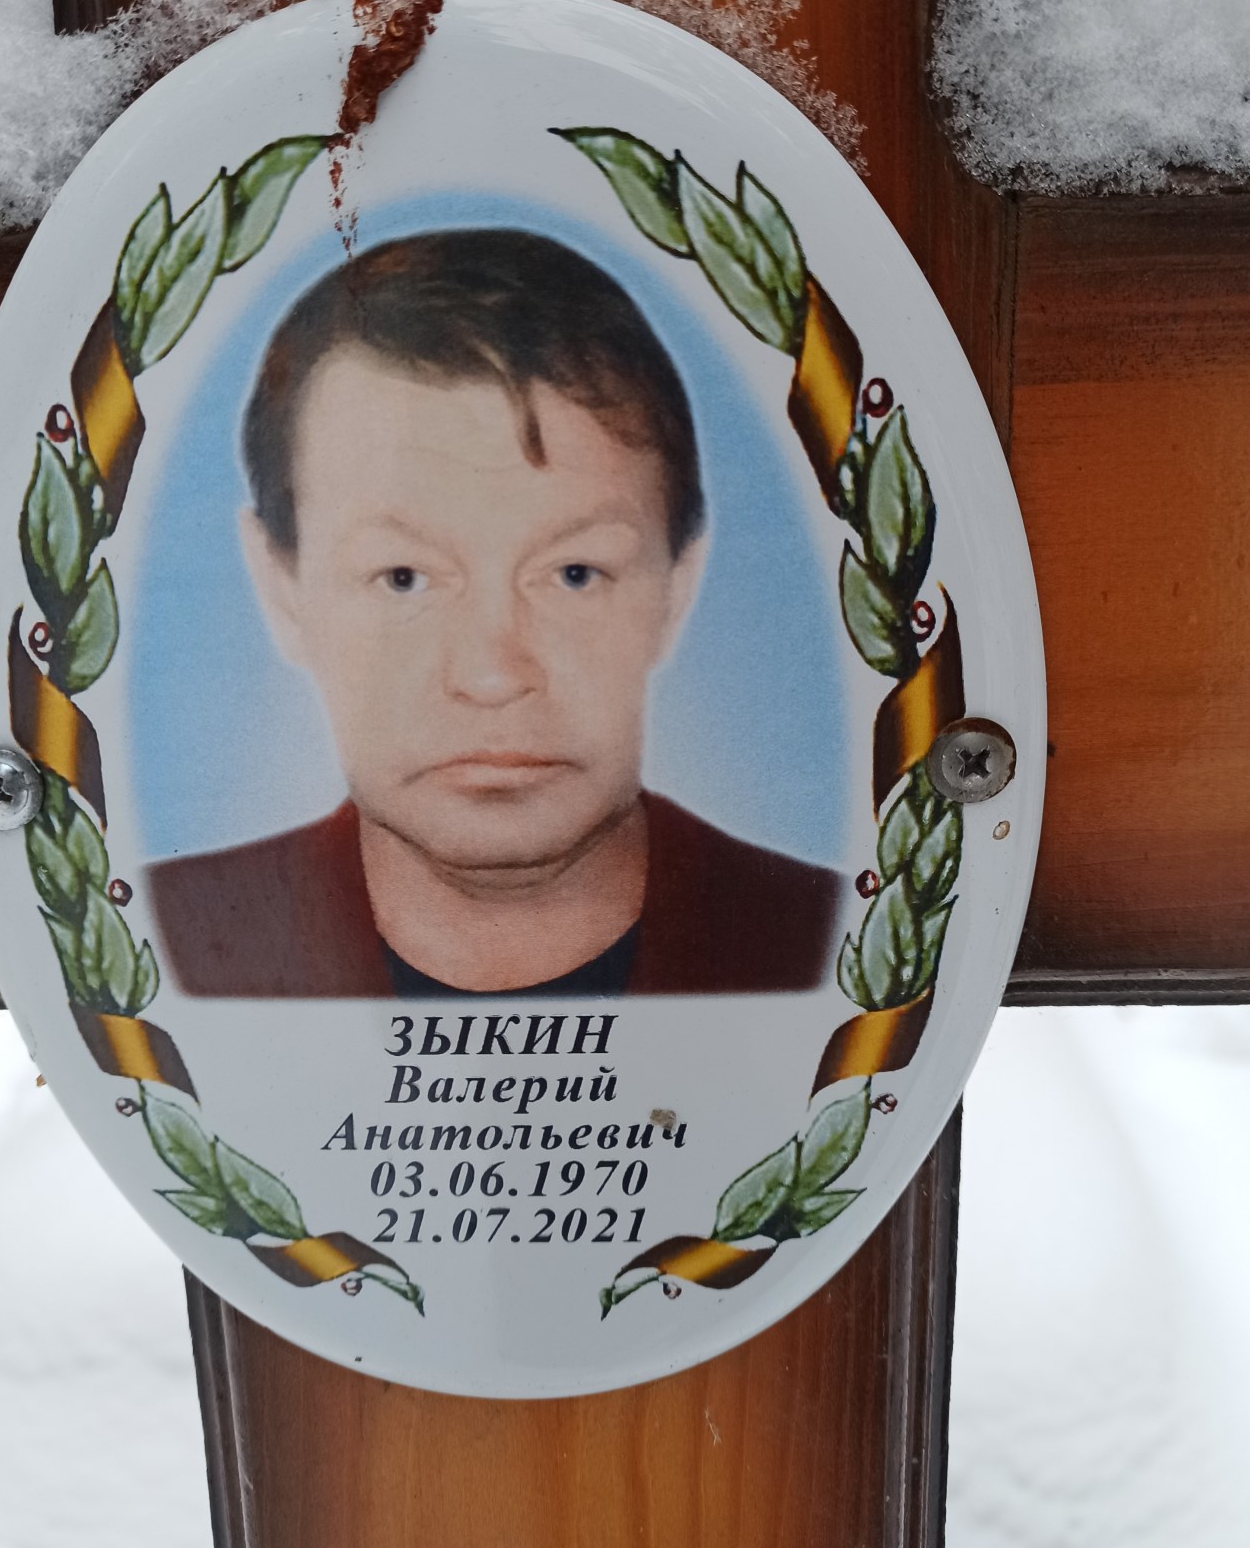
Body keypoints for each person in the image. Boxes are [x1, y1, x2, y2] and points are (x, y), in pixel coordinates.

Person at [147, 229, 842, 997]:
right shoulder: (156, 955)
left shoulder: (837, 949)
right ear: (282, 589)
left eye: (574, 574)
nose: (491, 675)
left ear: (677, 587)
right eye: (404, 578)